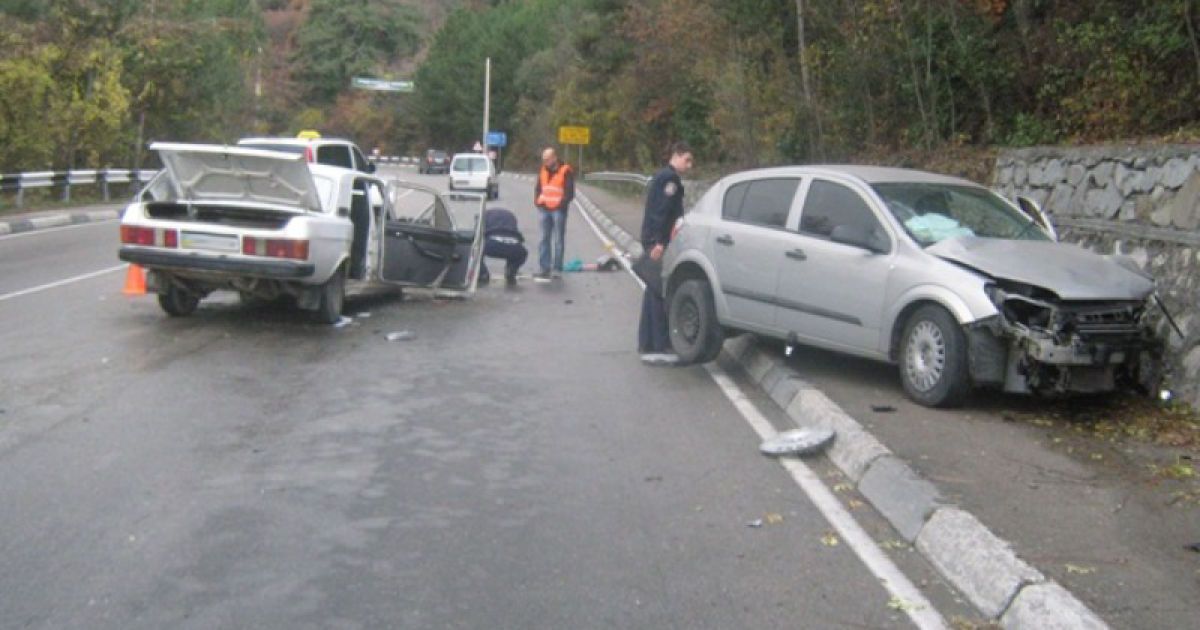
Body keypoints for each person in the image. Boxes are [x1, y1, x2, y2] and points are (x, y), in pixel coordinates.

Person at [638, 141, 694, 365]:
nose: (689, 165)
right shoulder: (669, 179)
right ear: (677, 155)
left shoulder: (662, 176)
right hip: (659, 242)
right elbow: (662, 213)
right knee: (658, 291)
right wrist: (659, 242)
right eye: (687, 159)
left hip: (654, 239)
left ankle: (647, 341)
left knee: (652, 289)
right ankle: (659, 343)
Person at [533, 147, 574, 282]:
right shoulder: (543, 170)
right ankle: (544, 268)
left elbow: (569, 192)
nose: (545, 162)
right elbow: (539, 187)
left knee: (558, 240)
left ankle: (557, 268)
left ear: (554, 158)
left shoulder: (565, 170)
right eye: (544, 159)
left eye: (547, 159)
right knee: (544, 239)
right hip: (544, 208)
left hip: (558, 210)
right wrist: (538, 201)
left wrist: (561, 205)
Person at [478, 206, 527, 286]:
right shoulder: (511, 218)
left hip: (492, 245)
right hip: (514, 247)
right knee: (522, 253)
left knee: (476, 250)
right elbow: (520, 238)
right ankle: (511, 271)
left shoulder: (485, 216)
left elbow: (478, 234)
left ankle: (483, 274)